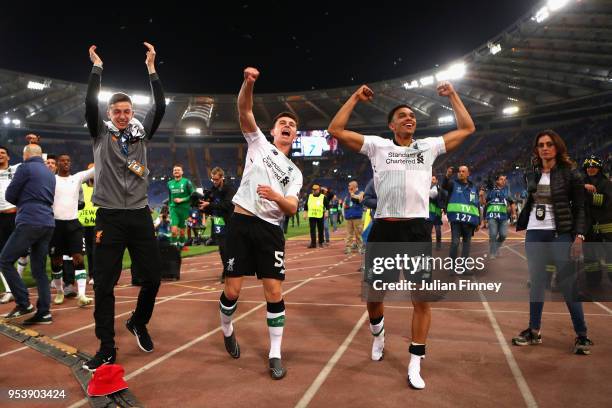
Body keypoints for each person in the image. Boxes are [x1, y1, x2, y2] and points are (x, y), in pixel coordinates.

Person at [328, 80, 475, 389]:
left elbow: (467, 128)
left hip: (416, 230)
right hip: (384, 229)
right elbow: (337, 130)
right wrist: (354, 96)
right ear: (391, 125)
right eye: (403, 116)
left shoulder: (428, 146)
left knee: (421, 299)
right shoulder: (378, 146)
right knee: (374, 297)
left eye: (412, 115)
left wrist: (453, 96)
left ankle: (415, 361)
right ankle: (378, 335)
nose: (410, 118)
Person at [83, 42, 166, 371]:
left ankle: (138, 321)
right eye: (116, 111)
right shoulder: (99, 134)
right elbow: (89, 102)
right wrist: (97, 68)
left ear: (132, 113)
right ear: (108, 114)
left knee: (154, 278)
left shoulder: (141, 136)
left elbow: (159, 106)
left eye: (126, 111)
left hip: (140, 216)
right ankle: (106, 346)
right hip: (109, 218)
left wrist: (151, 68)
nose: (121, 115)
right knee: (104, 284)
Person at [218, 67, 302, 380]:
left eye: (292, 126)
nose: (287, 126)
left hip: (270, 230)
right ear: (273, 130)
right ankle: (227, 329)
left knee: (274, 293)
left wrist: (276, 198)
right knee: (233, 288)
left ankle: (275, 354)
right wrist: (248, 82)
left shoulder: (295, 173)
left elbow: (292, 207)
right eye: (283, 123)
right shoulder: (258, 145)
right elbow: (244, 108)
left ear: (294, 136)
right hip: (241, 223)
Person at [514, 130, 592, 355]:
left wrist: (579, 236)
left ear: (557, 147)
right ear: (537, 150)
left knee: (568, 285)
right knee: (537, 285)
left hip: (560, 234)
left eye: (549, 144)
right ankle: (534, 331)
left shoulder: (571, 174)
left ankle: (582, 335)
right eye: (541, 145)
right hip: (535, 234)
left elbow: (580, 208)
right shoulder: (532, 175)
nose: (545, 148)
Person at [0, 144, 55, 324]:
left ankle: (23, 303)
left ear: (26, 155)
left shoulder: (25, 168)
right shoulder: (48, 172)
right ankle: (45, 312)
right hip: (47, 222)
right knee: (39, 270)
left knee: (5, 260)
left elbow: (9, 195)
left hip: (30, 220)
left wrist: (22, 199)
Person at [47, 154, 94, 307]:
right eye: (62, 161)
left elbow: (96, 169)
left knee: (78, 258)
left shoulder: (77, 178)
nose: (66, 163)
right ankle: (60, 291)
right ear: (57, 164)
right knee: (56, 260)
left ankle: (82, 295)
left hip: (73, 225)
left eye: (68, 161)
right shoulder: (51, 179)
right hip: (55, 225)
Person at [199, 167, 235, 282]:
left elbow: (226, 205)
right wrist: (203, 208)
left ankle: (228, 271)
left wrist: (209, 205)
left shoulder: (229, 189)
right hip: (218, 222)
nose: (214, 181)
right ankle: (227, 269)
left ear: (222, 178)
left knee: (227, 248)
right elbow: (212, 209)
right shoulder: (212, 190)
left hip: (229, 221)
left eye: (216, 179)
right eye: (212, 179)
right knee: (222, 248)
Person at [581, 155, 612, 286]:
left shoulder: (606, 184)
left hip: (606, 227)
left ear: (599, 168)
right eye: (588, 167)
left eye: (594, 167)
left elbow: (605, 201)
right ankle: (593, 280)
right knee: (590, 257)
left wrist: (586, 195)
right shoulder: (581, 183)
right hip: (589, 228)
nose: (591, 169)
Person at [443, 165, 480, 271]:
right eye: (459, 171)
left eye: (463, 171)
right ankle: (452, 266)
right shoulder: (453, 184)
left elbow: (476, 205)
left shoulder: (473, 188)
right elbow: (445, 185)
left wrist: (478, 221)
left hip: (469, 221)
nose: (460, 173)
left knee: (466, 245)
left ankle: (464, 267)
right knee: (455, 243)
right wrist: (447, 176)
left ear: (468, 173)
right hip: (456, 220)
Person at [0, 146, 22, 304]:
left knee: (23, 254)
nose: (0, 155)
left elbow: (39, 160)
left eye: (2, 153)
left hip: (15, 216)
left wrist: (34, 144)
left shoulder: (16, 169)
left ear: (8, 156)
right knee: (2, 257)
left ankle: (16, 283)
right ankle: (9, 290)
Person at [483, 174, 516, 259]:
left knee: (503, 235)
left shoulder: (507, 191)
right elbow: (484, 203)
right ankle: (492, 252)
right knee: (493, 234)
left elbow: (512, 203)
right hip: (492, 216)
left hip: (503, 217)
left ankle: (495, 248)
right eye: (501, 179)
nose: (503, 181)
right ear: (497, 181)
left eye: (504, 180)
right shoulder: (491, 191)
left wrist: (514, 213)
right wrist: (481, 196)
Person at [78, 163, 97, 285]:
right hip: (83, 226)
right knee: (86, 252)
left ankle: (97, 274)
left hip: (97, 225)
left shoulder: (102, 187)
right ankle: (89, 275)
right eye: (90, 170)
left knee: (98, 251)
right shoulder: (81, 187)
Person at [167, 164, 194, 249]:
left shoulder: (187, 182)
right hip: (173, 209)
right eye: (175, 170)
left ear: (182, 172)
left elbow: (192, 195)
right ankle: (173, 250)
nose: (176, 171)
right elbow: (170, 196)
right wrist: (169, 207)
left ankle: (181, 247)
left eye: (178, 170)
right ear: (173, 172)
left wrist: (182, 200)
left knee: (182, 232)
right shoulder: (169, 183)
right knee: (174, 231)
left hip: (184, 209)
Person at [343, 180, 365, 254]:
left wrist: (352, 194)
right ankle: (348, 248)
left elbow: (359, 199)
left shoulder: (361, 193)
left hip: (357, 217)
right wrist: (345, 214)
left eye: (350, 186)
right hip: (349, 217)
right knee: (349, 234)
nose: (349, 187)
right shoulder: (347, 196)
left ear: (354, 186)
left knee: (358, 233)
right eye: (349, 186)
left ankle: (361, 248)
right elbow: (344, 206)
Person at [425, 176, 446, 251]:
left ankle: (438, 245)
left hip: (437, 212)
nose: (432, 181)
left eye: (433, 179)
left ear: (436, 181)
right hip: (429, 212)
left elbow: (444, 198)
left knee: (437, 230)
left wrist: (443, 207)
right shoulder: (426, 188)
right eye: (430, 179)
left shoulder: (440, 190)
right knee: (428, 230)